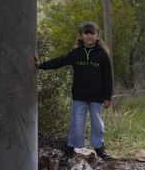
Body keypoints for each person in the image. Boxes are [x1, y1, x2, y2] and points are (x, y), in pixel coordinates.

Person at [36, 21, 114, 165]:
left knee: (97, 124)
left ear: (97, 36)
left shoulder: (102, 55)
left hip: (97, 97)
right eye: (86, 33)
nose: (89, 36)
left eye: (92, 33)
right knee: (77, 123)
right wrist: (41, 65)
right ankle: (70, 150)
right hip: (79, 96)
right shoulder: (76, 54)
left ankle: (99, 148)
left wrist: (107, 96)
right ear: (81, 36)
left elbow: (108, 76)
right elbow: (60, 61)